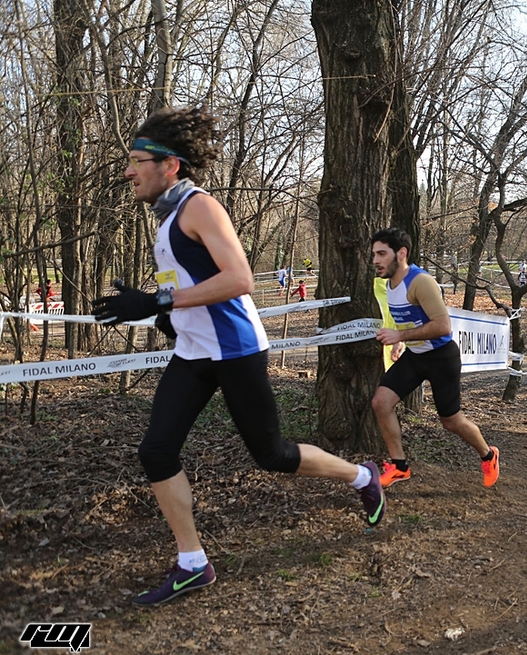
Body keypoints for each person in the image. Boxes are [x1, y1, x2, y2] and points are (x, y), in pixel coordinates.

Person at [90, 106, 385, 607]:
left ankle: (362, 476)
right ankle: (193, 563)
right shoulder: (166, 218)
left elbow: (239, 280)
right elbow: (190, 284)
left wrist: (159, 302)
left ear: (171, 165)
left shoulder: (199, 207)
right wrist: (161, 313)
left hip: (235, 349)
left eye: (137, 159)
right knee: (156, 451)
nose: (128, 170)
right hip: (194, 350)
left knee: (271, 455)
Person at [370, 228, 499, 489]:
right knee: (381, 402)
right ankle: (399, 466)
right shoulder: (389, 283)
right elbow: (405, 316)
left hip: (441, 357)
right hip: (415, 356)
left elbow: (443, 326)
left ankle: (488, 455)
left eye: (382, 253)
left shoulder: (421, 281)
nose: (375, 260)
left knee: (451, 421)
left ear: (401, 253)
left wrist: (400, 336)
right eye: (374, 254)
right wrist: (400, 343)